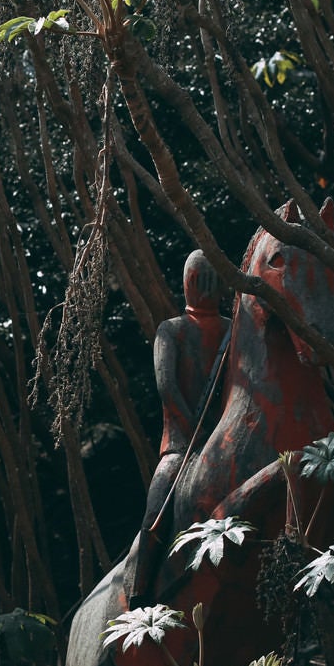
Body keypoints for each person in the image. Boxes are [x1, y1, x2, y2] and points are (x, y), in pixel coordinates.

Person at [123, 249, 229, 600]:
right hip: (182, 446)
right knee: (156, 509)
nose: (207, 288)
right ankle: (138, 583)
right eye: (202, 281)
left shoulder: (232, 330)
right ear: (189, 284)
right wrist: (195, 428)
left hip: (225, 439)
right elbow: (167, 385)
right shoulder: (171, 330)